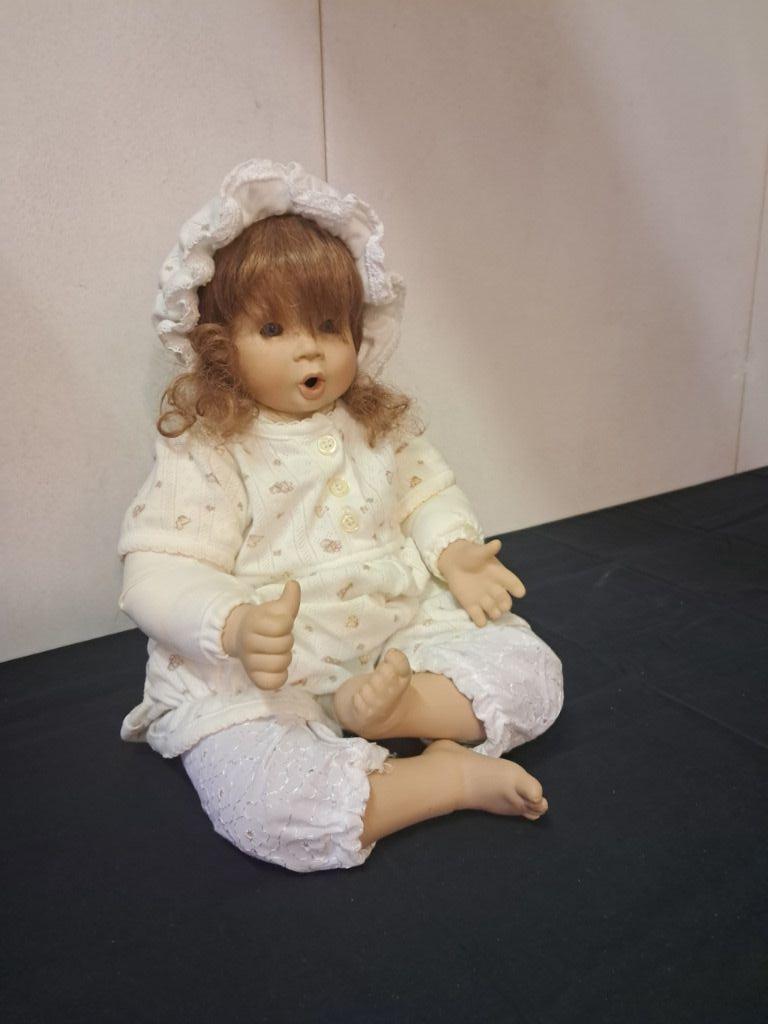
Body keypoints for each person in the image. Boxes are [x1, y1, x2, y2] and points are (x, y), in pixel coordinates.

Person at [117, 158, 564, 873]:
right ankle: (444, 779)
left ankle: (399, 711)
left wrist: (453, 551)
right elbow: (160, 567)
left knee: (533, 678)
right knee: (267, 806)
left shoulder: (376, 424)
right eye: (273, 327)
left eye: (329, 325)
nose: (310, 347)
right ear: (218, 343)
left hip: (397, 632)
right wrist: (232, 625)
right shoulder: (210, 447)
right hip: (266, 672)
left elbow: (425, 493)